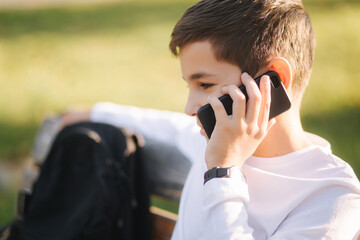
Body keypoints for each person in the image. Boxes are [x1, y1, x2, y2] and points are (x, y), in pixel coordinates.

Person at [61, 0, 360, 239]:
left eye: (204, 85)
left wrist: (223, 172)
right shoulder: (211, 141)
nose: (190, 108)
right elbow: (168, 126)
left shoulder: (332, 197)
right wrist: (94, 112)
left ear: (273, 79)